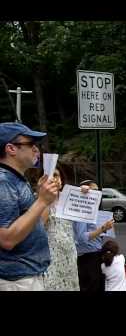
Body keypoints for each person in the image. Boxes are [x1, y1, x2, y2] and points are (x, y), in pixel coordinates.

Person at [0, 122, 59, 291]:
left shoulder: (16, 179)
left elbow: (36, 223)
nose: (36, 149)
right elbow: (6, 239)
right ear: (11, 149)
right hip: (15, 281)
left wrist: (46, 200)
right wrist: (41, 201)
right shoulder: (4, 182)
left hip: (27, 277)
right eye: (31, 144)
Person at [41, 163, 80, 291]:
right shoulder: (40, 201)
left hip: (69, 257)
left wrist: (85, 191)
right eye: (50, 177)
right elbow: (40, 224)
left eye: (56, 176)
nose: (54, 179)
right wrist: (47, 198)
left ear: (62, 181)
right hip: (51, 258)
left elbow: (88, 205)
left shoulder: (68, 200)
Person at [72, 179, 114, 292]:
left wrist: (105, 229)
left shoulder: (93, 210)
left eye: (98, 191)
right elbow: (81, 238)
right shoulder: (81, 210)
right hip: (87, 258)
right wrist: (103, 228)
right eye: (94, 190)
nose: (98, 194)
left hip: (95, 255)